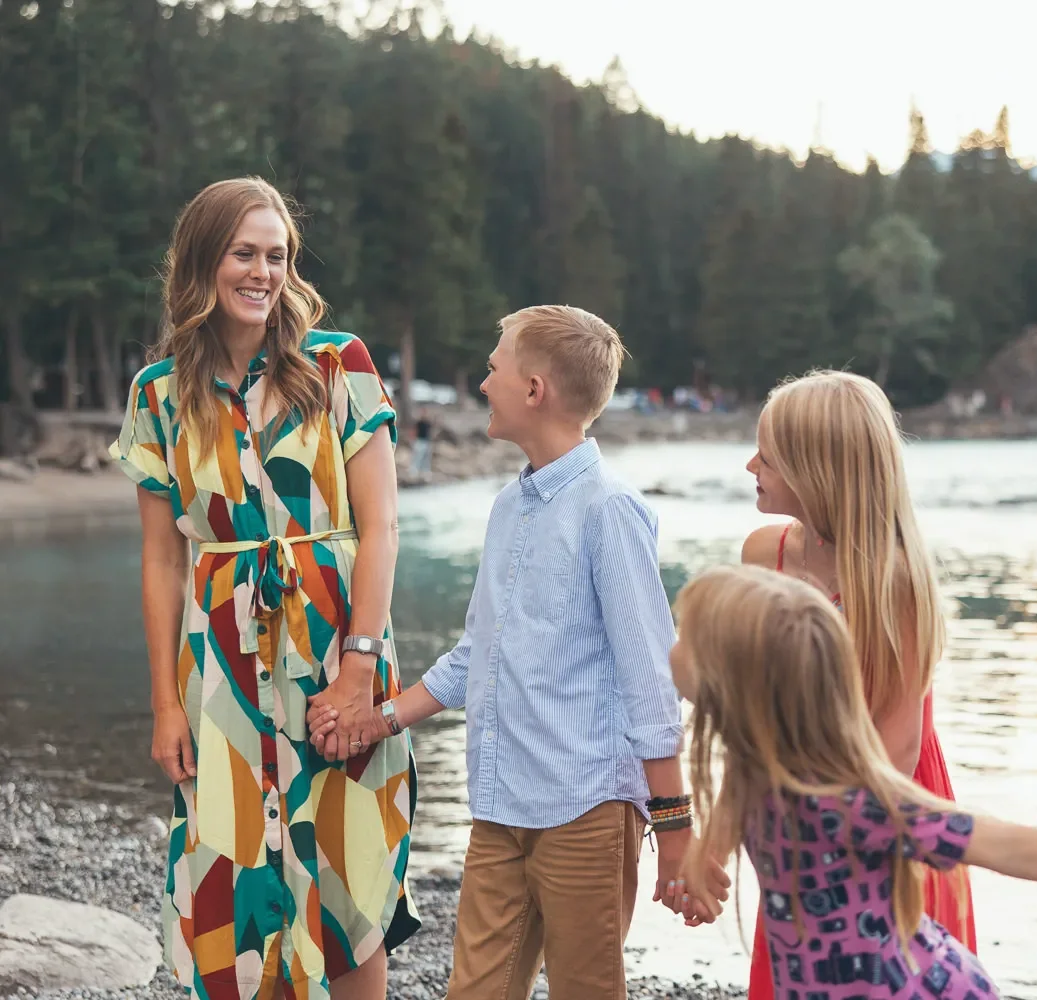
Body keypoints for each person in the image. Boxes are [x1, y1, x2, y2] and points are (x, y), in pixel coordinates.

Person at [310, 305, 729, 1000]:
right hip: (501, 806)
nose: (482, 384)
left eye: (494, 367)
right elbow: (479, 653)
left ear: (534, 390)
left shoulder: (608, 510)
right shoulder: (510, 508)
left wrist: (675, 829)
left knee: (585, 989)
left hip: (586, 810)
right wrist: (377, 719)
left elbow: (650, 680)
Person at [109, 177, 418, 999]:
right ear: (204, 262)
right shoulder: (159, 395)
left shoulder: (338, 363)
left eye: (276, 255)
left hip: (336, 651)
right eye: (244, 254)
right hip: (220, 675)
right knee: (237, 887)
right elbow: (161, 562)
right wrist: (165, 704)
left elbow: (382, 527)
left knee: (347, 879)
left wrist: (359, 664)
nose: (262, 272)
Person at [671, 565, 1037, 997]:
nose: (671, 647)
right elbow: (731, 813)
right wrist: (697, 858)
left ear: (735, 683)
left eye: (686, 639)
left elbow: (1003, 844)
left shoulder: (845, 800)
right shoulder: (757, 769)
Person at [738, 370, 975, 996]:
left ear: (818, 468)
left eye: (768, 454)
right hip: (792, 790)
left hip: (884, 800)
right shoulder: (765, 555)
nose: (749, 464)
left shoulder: (895, 582)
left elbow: (895, 749)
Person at [410, 408, 434, 480]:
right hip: (419, 441)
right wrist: (413, 439)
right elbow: (414, 431)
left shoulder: (428, 423)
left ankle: (425, 472)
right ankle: (414, 471)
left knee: (426, 458)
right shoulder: (419, 423)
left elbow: (430, 432)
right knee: (417, 457)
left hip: (426, 441)